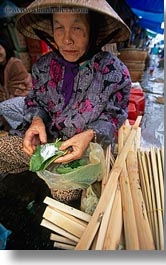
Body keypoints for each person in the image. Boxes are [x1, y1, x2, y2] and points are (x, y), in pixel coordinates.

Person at [0, 0, 131, 202]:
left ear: (93, 29)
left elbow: (113, 117)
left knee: (65, 193)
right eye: (59, 27)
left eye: (77, 28)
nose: (66, 40)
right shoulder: (44, 65)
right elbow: (36, 102)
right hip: (45, 144)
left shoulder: (113, 71)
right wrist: (36, 122)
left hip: (80, 152)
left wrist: (89, 134)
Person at [0, 39, 32, 130]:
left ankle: (25, 127)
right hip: (9, 101)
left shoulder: (15, 63)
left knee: (4, 107)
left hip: (24, 98)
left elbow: (20, 86)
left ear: (5, 48)